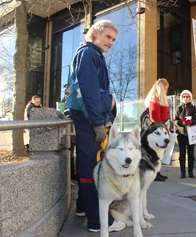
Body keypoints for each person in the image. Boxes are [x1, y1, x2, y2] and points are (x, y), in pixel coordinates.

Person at [66, 20, 121, 232]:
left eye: (114, 39)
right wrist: (99, 122)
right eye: (108, 37)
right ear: (95, 34)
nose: (111, 42)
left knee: (87, 164)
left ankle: (82, 206)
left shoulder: (90, 54)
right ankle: (99, 221)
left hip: (88, 117)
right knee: (92, 168)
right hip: (89, 119)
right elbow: (89, 91)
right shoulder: (89, 54)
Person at [142, 78, 170, 182]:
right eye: (165, 87)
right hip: (156, 130)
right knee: (155, 153)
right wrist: (163, 124)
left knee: (158, 152)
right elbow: (155, 118)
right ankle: (154, 173)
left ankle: (156, 172)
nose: (166, 90)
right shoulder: (155, 99)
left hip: (159, 129)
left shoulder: (157, 99)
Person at [175, 90, 196, 178]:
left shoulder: (193, 108)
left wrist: (189, 122)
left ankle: (191, 172)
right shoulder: (178, 108)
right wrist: (181, 122)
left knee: (191, 154)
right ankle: (182, 172)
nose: (185, 98)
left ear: (190, 98)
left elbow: (195, 120)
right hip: (181, 134)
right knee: (182, 154)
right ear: (181, 98)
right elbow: (176, 120)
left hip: (191, 135)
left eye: (187, 96)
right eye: (184, 96)